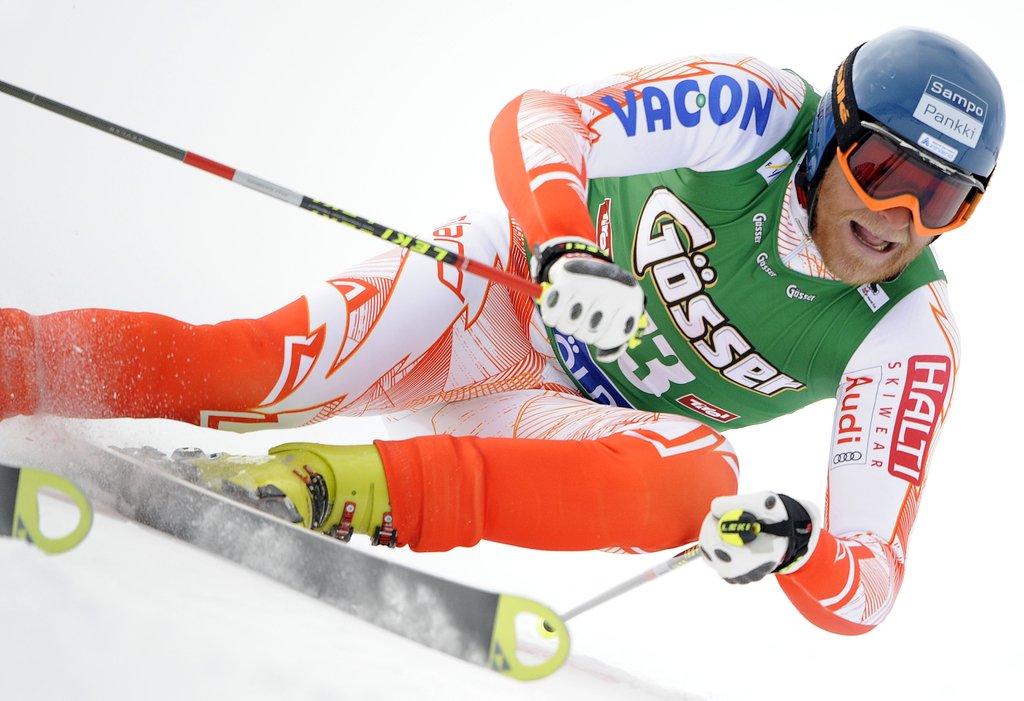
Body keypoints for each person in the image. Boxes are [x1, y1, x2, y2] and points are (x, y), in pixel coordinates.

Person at [0, 27, 1004, 635]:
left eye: (943, 199)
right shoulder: (756, 109)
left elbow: (869, 582)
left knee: (701, 478)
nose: (897, 220)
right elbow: (542, 117)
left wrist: (799, 549)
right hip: (492, 296)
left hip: (558, 421)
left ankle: (309, 486)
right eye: (883, 170)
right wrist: (565, 247)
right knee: (257, 370)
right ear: (830, 134)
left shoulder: (909, 330)